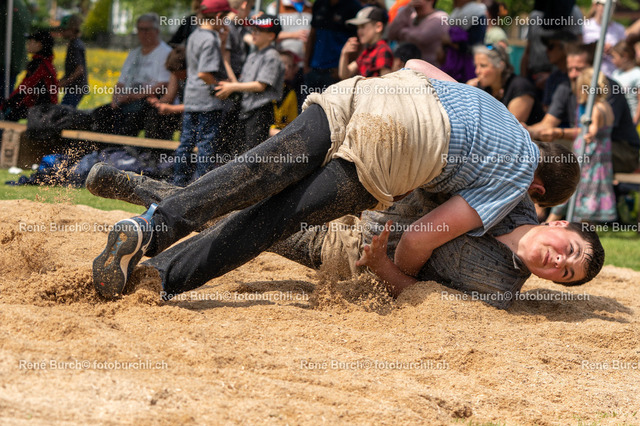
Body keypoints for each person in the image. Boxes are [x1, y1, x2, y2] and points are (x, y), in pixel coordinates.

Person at [90, 60, 580, 300]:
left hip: (377, 93)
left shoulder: (501, 114)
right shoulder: (516, 180)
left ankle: (152, 225)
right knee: (274, 218)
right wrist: (395, 272)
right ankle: (162, 278)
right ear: (538, 193)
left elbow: (417, 65)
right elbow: (418, 238)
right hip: (401, 142)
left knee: (254, 172)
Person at [86, 167, 604, 308]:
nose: (559, 263)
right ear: (559, 224)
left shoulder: (499, 290)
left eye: (566, 275)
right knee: (252, 190)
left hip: (348, 254)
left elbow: (421, 296)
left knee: (245, 223)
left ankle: (130, 190)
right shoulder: (512, 194)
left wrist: (381, 266)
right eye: (570, 253)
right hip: (368, 191)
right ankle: (141, 199)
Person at [526, 44, 640, 174]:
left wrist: (559, 133)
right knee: (543, 149)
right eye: (570, 69)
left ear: (593, 68)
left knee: (571, 152)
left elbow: (594, 132)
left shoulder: (607, 89)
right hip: (588, 144)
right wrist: (527, 130)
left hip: (622, 150)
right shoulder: (565, 87)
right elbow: (547, 123)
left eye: (579, 69)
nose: (573, 75)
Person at [172, 0, 233, 186]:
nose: (225, 23)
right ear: (218, 16)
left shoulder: (195, 35)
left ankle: (178, 183)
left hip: (191, 98)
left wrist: (222, 42)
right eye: (225, 19)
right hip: (207, 101)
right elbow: (204, 73)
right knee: (206, 145)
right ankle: (200, 186)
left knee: (186, 143)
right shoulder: (210, 39)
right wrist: (220, 85)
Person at [547, 68, 616, 223]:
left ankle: (551, 221)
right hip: (602, 156)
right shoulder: (607, 106)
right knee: (593, 189)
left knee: (577, 185)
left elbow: (592, 131)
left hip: (589, 156)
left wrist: (588, 134)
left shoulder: (596, 109)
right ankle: (586, 225)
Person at [92, 13, 173, 138]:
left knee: (129, 117)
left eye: (147, 29)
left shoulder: (166, 53)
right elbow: (121, 82)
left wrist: (131, 97)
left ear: (156, 31)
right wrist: (115, 99)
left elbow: (163, 85)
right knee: (100, 114)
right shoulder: (134, 53)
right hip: (127, 99)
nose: (143, 33)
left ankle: (124, 148)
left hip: (149, 101)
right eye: (140, 29)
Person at [214, 15, 285, 153]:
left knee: (252, 153)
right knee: (239, 151)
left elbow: (260, 86)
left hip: (260, 111)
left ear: (271, 36)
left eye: (258, 31)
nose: (253, 33)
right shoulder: (253, 55)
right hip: (246, 109)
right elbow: (240, 84)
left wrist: (232, 87)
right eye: (253, 30)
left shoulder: (272, 56)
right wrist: (224, 51)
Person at [468, 45, 544, 125]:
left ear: (500, 66)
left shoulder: (520, 86)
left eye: (483, 66)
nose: (477, 71)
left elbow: (510, 126)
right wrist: (468, 94)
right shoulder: (481, 88)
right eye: (476, 66)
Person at [303, 0, 362, 94]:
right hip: (314, 69)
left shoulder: (354, 6)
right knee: (308, 102)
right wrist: (306, 65)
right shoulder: (319, 4)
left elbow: (358, 42)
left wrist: (344, 69)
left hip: (335, 73)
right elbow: (312, 35)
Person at [1, 31, 57, 122]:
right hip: (44, 108)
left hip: (41, 109)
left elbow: (26, 87)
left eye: (31, 41)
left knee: (8, 116)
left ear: (39, 45)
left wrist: (7, 104)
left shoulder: (38, 64)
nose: (28, 44)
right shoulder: (46, 63)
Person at [387, 0, 449, 66]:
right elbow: (391, 33)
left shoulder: (440, 17)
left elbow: (421, 38)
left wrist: (402, 31)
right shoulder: (412, 15)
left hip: (429, 68)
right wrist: (407, 8)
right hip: (407, 67)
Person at [339, 6, 393, 80]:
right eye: (358, 27)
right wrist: (344, 53)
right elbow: (345, 75)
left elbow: (385, 81)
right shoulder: (367, 51)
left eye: (362, 26)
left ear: (378, 27)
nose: (358, 31)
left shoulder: (382, 50)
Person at [440, 0, 487, 83]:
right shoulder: (456, 13)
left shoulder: (478, 14)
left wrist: (450, 42)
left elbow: (475, 46)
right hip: (451, 65)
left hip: (467, 69)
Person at [146, 46, 187, 139]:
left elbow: (196, 106)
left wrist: (171, 109)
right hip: (180, 110)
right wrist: (158, 103)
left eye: (177, 73)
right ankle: (153, 146)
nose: (176, 75)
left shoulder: (196, 78)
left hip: (191, 113)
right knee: (155, 114)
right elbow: (169, 97)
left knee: (187, 118)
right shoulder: (175, 72)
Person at [582, 0, 625, 77]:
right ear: (595, 6)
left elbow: (625, 54)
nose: (609, 7)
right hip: (590, 75)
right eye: (604, 5)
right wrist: (596, 48)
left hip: (614, 76)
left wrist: (614, 51)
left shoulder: (620, 29)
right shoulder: (584, 27)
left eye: (612, 4)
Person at [57, 14, 88, 108]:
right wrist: (59, 82)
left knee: (63, 112)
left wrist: (64, 82)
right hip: (75, 88)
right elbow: (71, 70)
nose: (61, 32)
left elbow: (79, 70)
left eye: (64, 30)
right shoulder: (74, 44)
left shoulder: (75, 46)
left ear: (73, 29)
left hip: (76, 89)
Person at [270, 50, 302, 136]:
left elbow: (292, 124)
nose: (286, 68)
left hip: (280, 135)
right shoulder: (264, 89)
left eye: (290, 66)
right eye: (283, 64)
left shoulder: (291, 93)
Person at [611, 41, 640, 125]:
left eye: (614, 57)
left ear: (624, 56)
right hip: (617, 119)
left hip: (631, 120)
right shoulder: (616, 73)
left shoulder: (637, 74)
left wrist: (635, 120)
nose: (612, 60)